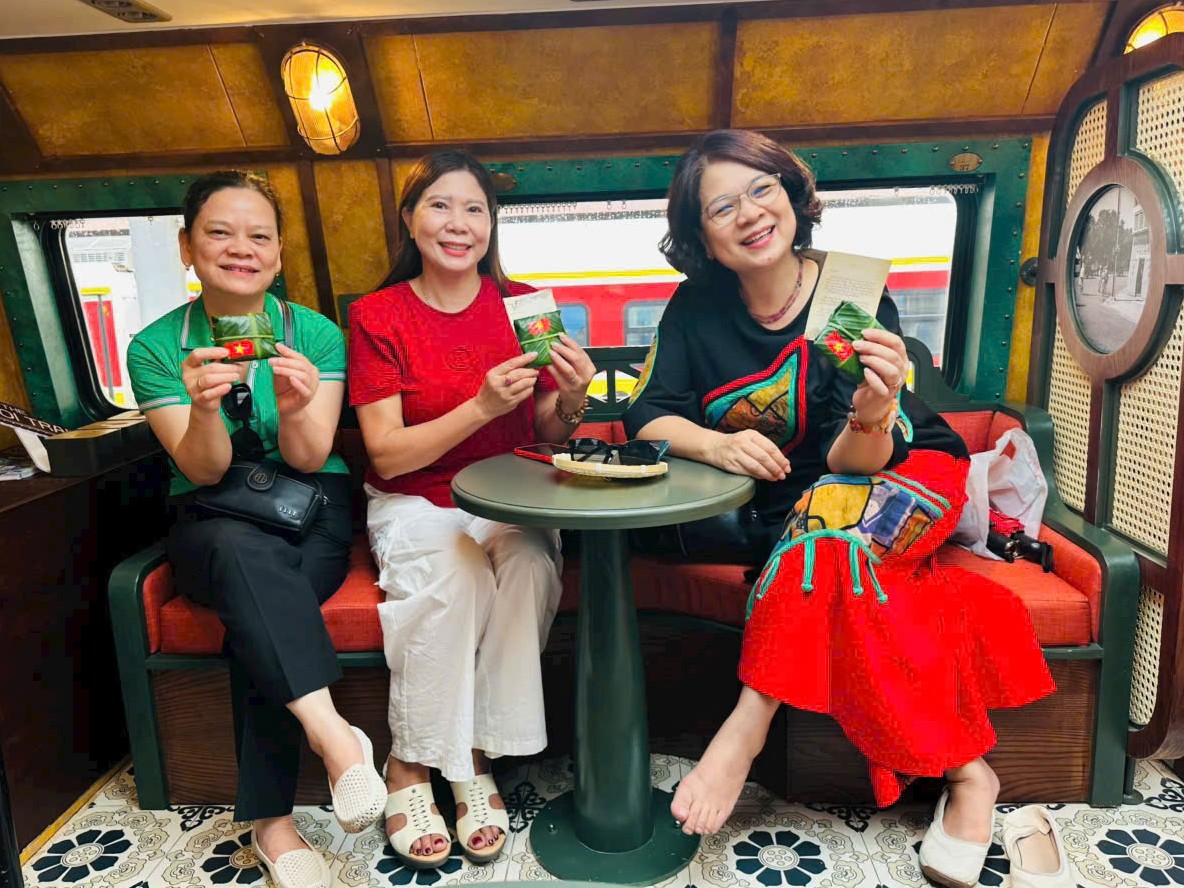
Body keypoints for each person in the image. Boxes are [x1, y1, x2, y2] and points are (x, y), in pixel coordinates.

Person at [623, 130, 1055, 888]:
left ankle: (746, 725)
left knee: (831, 519)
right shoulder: (695, 308)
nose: (749, 213)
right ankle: (970, 774)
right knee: (833, 548)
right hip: (805, 512)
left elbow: (851, 460)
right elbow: (646, 414)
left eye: (762, 189)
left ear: (792, 197)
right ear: (701, 237)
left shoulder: (848, 293)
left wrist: (874, 408)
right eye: (721, 207)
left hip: (906, 467)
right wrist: (718, 445)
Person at [126, 171, 387, 888]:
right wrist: (204, 408)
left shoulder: (316, 335)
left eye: (259, 236)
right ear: (187, 246)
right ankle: (337, 740)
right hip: (210, 512)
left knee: (256, 602)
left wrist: (299, 406)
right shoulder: (155, 347)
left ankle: (272, 824)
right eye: (219, 233)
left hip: (311, 507)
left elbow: (308, 456)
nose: (241, 249)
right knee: (242, 558)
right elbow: (203, 470)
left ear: (277, 255)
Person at [348, 151, 596, 868]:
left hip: (510, 494)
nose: (458, 224)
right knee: (456, 571)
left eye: (474, 210)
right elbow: (389, 454)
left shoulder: (524, 305)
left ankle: (475, 754)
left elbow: (548, 431)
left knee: (530, 562)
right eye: (439, 205)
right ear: (409, 219)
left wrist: (574, 397)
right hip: (415, 497)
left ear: (491, 224)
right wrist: (480, 406)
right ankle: (411, 762)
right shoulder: (376, 315)